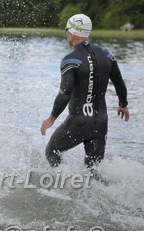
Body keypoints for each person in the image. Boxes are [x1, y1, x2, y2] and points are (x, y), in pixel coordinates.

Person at [40, 13, 129, 169]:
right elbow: (119, 83)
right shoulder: (108, 55)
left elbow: (65, 93)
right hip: (101, 122)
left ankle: (63, 187)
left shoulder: (71, 59)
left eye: (67, 30)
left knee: (52, 151)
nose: (66, 34)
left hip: (78, 122)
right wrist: (123, 104)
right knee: (93, 170)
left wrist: (51, 118)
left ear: (72, 32)